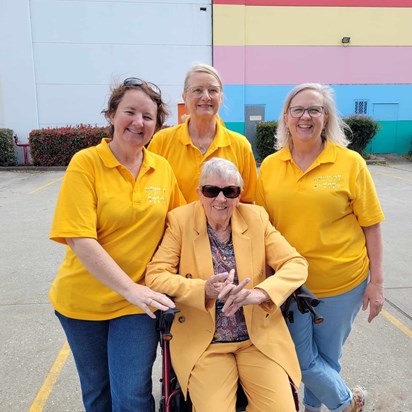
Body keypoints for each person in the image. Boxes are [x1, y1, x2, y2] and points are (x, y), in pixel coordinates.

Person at [49, 77, 185, 411]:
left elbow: (179, 226)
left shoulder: (161, 169)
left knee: (131, 396)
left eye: (148, 116)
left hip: (136, 305)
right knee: (98, 393)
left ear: (156, 126)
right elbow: (81, 239)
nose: (138, 122)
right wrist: (129, 287)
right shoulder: (87, 164)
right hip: (82, 303)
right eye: (130, 112)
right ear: (111, 115)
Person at [256, 83, 385, 412]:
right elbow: (263, 228)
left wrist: (378, 283)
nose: (306, 116)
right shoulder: (270, 166)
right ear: (286, 118)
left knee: (328, 358)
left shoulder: (350, 163)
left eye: (315, 109)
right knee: (301, 360)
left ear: (326, 117)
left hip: (342, 283)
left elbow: (371, 224)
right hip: (292, 286)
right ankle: (346, 403)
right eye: (298, 109)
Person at [146, 158, 308, 412]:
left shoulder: (256, 218)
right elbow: (156, 275)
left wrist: (260, 293)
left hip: (256, 340)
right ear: (200, 193)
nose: (220, 199)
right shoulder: (180, 220)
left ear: (239, 195)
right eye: (212, 191)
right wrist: (203, 289)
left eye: (229, 191)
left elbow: (296, 264)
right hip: (206, 343)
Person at [148, 63, 257, 203]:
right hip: (174, 225)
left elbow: (247, 201)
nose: (206, 97)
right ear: (184, 97)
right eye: (197, 90)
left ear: (221, 97)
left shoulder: (240, 145)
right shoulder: (161, 141)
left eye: (213, 90)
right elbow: (151, 196)